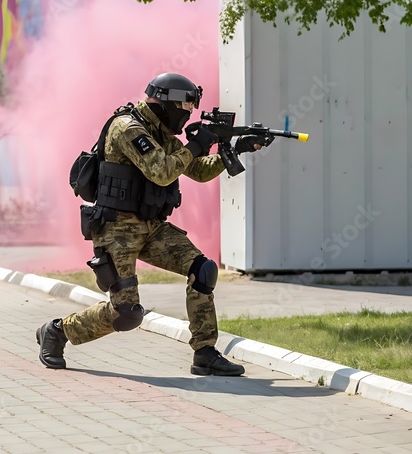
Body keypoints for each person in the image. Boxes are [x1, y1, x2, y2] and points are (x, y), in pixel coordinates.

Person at [37, 73, 274, 376]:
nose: (188, 115)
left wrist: (237, 148)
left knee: (202, 270)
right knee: (126, 313)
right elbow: (162, 171)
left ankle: (205, 352)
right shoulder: (128, 128)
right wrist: (198, 143)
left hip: (151, 227)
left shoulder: (160, 134)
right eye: (185, 108)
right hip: (117, 230)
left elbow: (197, 171)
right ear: (167, 103)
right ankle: (57, 331)